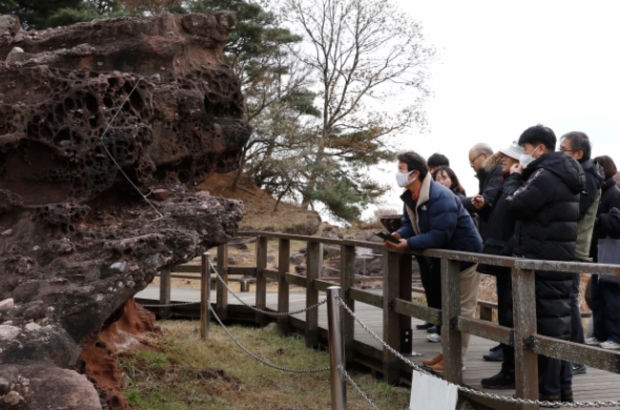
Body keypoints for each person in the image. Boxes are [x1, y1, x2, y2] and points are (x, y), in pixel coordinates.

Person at [502, 124, 585, 404]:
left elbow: (516, 205)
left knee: (544, 328)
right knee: (556, 326)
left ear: (539, 149)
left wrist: (513, 180)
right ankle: (561, 391)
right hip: (558, 257)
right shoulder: (564, 173)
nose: (522, 156)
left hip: (541, 259)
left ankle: (546, 395)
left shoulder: (546, 175)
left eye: (525, 150)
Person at [385, 151, 483, 372]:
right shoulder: (410, 196)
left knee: (462, 312)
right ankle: (447, 353)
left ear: (414, 173)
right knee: (448, 309)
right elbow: (410, 225)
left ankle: (457, 360)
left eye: (401, 169)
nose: (398, 174)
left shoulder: (440, 196)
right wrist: (400, 234)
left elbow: (441, 235)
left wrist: (408, 244)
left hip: (465, 258)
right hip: (445, 261)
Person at [470, 141, 522, 389]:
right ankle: (509, 370)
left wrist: (506, 248)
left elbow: (519, 221)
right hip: (503, 256)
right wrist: (485, 208)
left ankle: (513, 372)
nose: (501, 161)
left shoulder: (517, 182)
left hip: (511, 258)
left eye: (506, 158)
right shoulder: (506, 181)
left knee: (512, 316)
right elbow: (500, 214)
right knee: (505, 315)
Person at [559, 132, 604, 375]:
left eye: (563, 149)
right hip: (569, 245)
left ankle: (577, 357)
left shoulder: (586, 175)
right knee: (566, 300)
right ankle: (572, 355)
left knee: (567, 300)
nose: (559, 154)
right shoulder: (582, 171)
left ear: (578, 153)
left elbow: (573, 211)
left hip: (572, 247)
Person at [462, 143, 505, 362]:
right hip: (494, 242)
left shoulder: (497, 170)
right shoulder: (490, 173)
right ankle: (505, 345)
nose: (471, 166)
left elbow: (488, 199)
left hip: (501, 244)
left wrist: (459, 202)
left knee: (507, 300)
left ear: (485, 156)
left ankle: (507, 347)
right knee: (504, 297)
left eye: (473, 160)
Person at [586, 155, 620, 350]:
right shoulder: (601, 192)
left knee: (611, 295)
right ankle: (600, 334)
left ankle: (615, 336)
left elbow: (617, 224)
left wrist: (597, 221)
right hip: (601, 250)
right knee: (598, 295)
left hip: (611, 251)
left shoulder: (613, 193)